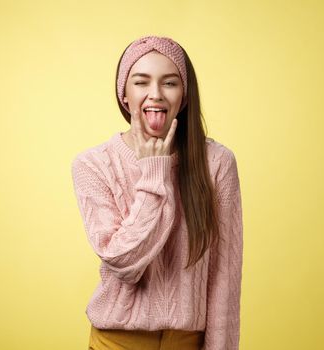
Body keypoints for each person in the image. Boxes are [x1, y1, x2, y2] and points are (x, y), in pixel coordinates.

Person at [71, 35, 243, 350]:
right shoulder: (93, 165)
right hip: (117, 342)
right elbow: (124, 263)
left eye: (169, 83)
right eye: (141, 82)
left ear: (185, 96)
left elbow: (224, 276)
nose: (155, 94)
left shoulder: (217, 163)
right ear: (124, 95)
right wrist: (154, 174)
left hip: (186, 343)